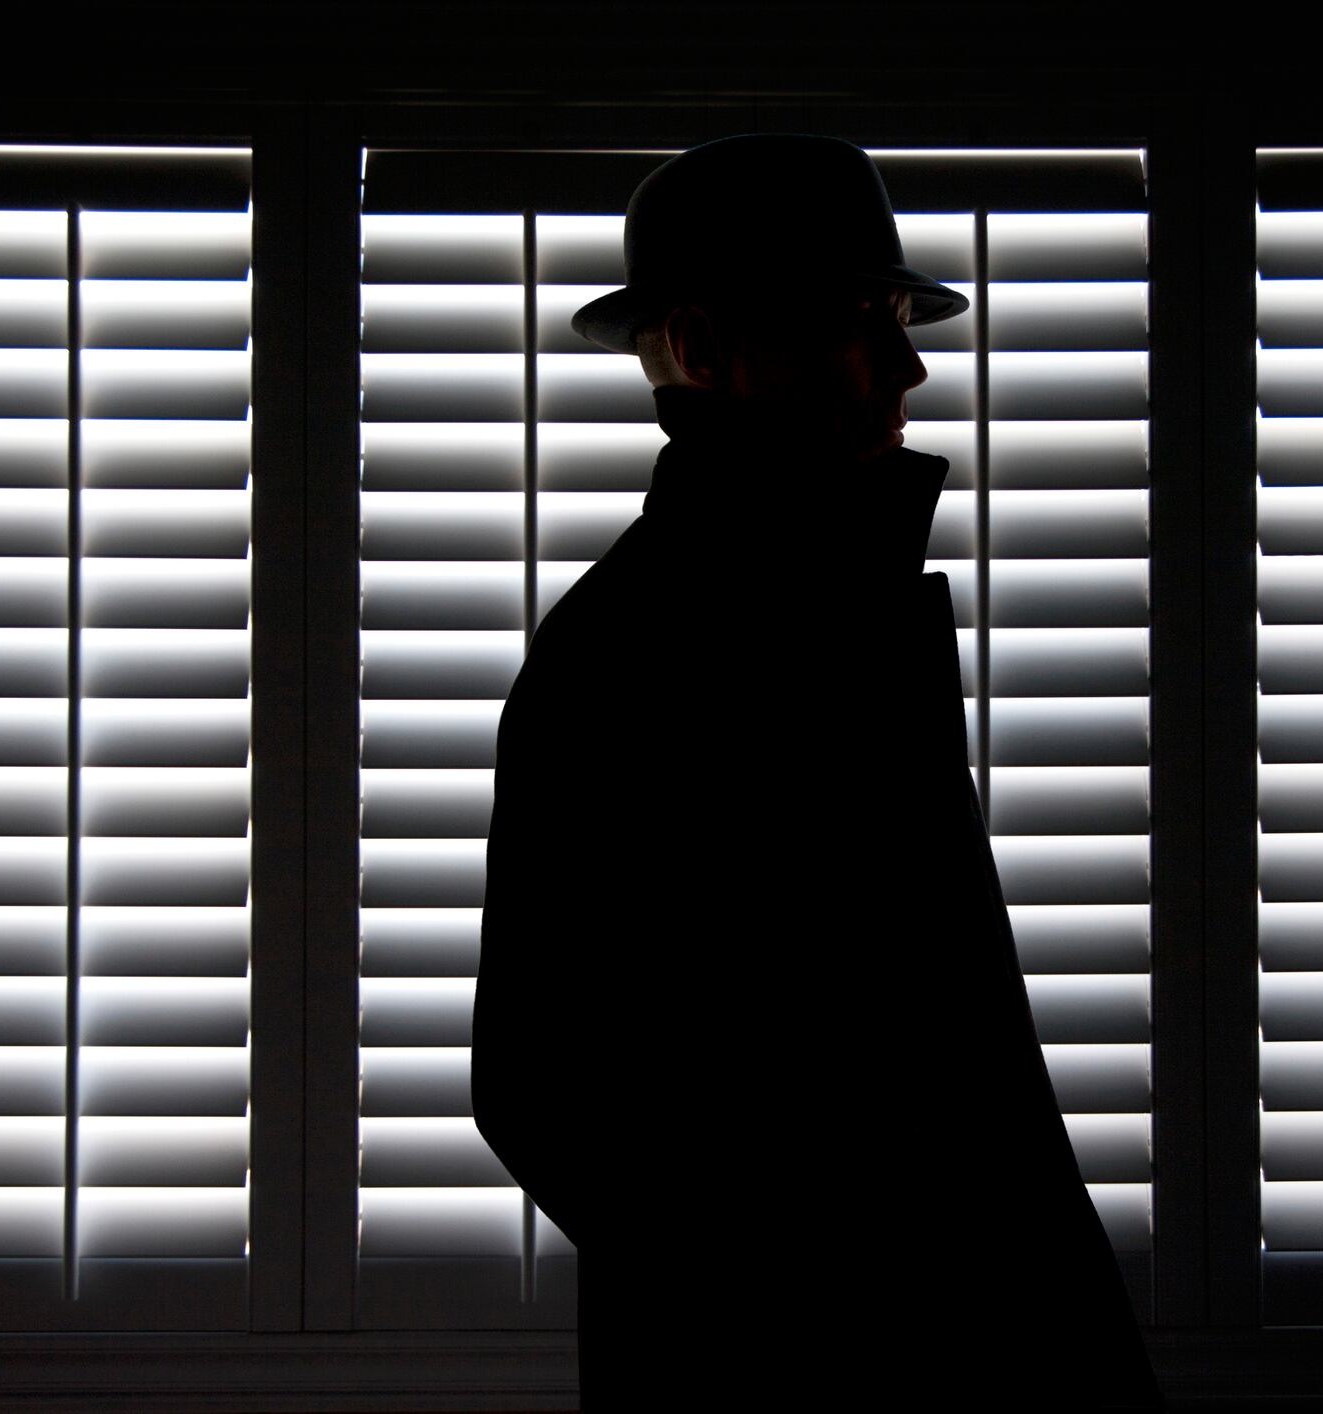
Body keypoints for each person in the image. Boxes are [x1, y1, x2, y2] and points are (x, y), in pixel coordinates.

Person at [470, 133, 1159, 1410]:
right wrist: (826, 1326)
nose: (908, 364)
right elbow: (538, 1078)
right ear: (701, 346)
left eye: (897, 317)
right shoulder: (630, 650)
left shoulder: (838, 607)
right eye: (858, 319)